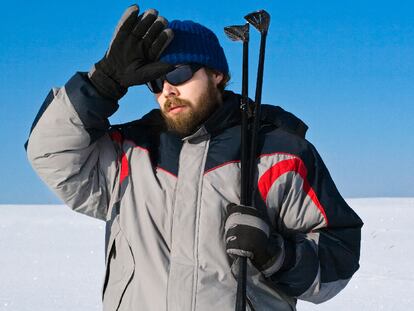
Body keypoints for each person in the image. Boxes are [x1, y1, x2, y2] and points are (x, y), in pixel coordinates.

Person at [26, 4, 363, 311]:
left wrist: (277, 256)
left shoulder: (280, 155)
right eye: (155, 81)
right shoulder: (129, 152)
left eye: (178, 73)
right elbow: (50, 152)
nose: (166, 91)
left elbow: (339, 257)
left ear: (217, 74)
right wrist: (103, 82)